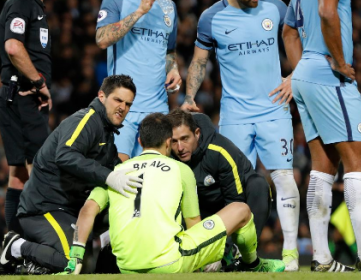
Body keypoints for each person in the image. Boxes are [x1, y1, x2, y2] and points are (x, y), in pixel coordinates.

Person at [59, 112, 285, 274]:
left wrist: (76, 256)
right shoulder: (180, 169)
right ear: (168, 143)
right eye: (174, 141)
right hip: (171, 262)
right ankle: (252, 264)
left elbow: (87, 210)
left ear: (139, 141)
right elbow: (195, 226)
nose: (179, 147)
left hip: (126, 265)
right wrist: (215, 254)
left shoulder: (116, 171)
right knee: (241, 209)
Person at [180, 0, 300, 271]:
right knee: (232, 186)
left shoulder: (276, 8)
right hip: (235, 116)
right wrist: (189, 96)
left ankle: (291, 253)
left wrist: (296, 74)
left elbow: (298, 38)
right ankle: (227, 252)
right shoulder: (211, 18)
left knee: (284, 178)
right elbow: (199, 60)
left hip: (275, 108)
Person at [0, 75, 143, 274]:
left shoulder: (106, 132)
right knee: (70, 260)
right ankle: (15, 246)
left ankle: (40, 266)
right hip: (43, 209)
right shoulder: (87, 120)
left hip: (69, 209)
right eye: (118, 100)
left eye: (128, 104)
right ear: (102, 96)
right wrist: (108, 177)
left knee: (131, 220)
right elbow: (65, 155)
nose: (123, 108)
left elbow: (115, 166)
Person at [283, 0, 361, 273]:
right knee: (359, 162)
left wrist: (303, 74)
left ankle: (321, 258)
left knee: (323, 166)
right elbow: (326, 10)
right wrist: (341, 64)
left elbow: (288, 32)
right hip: (329, 75)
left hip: (305, 74)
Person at [96, 0, 181, 162]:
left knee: (156, 173)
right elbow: (102, 39)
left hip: (157, 107)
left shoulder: (169, 5)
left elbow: (169, 50)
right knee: (120, 173)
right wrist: (139, 12)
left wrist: (172, 68)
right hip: (122, 106)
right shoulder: (117, 1)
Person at [167, 109, 270, 241]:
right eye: (174, 141)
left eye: (185, 138)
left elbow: (235, 202)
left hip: (232, 205)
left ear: (197, 133)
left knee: (258, 185)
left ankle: (247, 255)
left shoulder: (220, 150)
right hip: (199, 211)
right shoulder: (166, 158)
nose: (180, 148)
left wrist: (227, 244)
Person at [0, 0, 53, 234]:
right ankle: (40, 246)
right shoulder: (22, 2)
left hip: (19, 95)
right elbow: (13, 47)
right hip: (24, 95)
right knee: (40, 173)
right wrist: (38, 81)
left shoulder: (33, 6)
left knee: (19, 176)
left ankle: (12, 244)